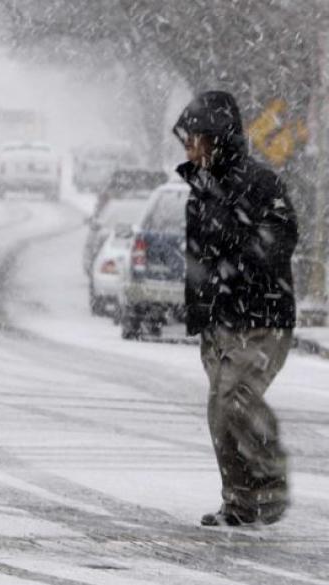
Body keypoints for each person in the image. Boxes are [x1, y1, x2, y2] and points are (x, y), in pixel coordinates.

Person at [173, 90, 298, 527]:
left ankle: (270, 483)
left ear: (216, 137)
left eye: (194, 138)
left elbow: (282, 237)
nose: (188, 147)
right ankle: (241, 502)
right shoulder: (200, 191)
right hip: (220, 322)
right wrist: (199, 312)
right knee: (221, 415)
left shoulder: (260, 183)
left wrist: (240, 261)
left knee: (237, 400)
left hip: (261, 317)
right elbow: (196, 259)